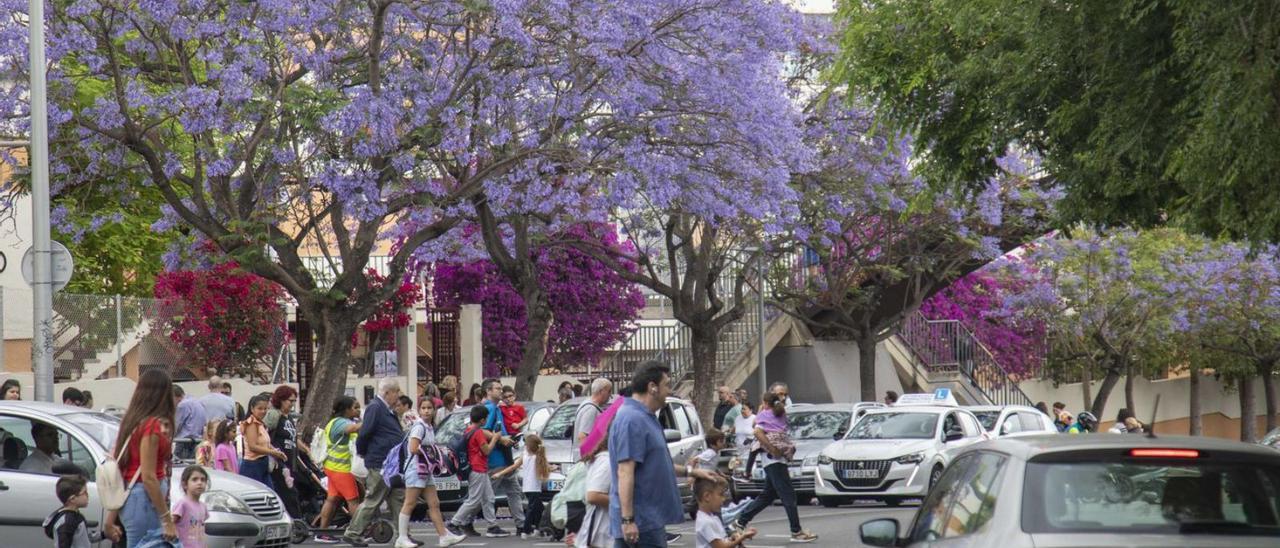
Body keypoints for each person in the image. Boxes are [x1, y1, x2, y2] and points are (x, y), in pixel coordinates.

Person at [609, 361, 719, 548]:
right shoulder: (632, 419)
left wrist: (692, 472)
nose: (669, 391)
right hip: (641, 524)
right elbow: (625, 472)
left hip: (649, 521)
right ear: (652, 387)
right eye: (667, 384)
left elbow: (656, 463)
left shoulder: (645, 416)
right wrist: (628, 520)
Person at [104, 368, 178, 547]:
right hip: (145, 499)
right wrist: (167, 519)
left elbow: (121, 471)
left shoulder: (132, 421)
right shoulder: (151, 426)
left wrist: (109, 520)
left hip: (133, 498)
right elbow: (148, 477)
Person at [729, 393, 816, 543]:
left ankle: (740, 522)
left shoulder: (764, 414)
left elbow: (756, 431)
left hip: (771, 459)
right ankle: (796, 531)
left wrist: (769, 448)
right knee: (788, 495)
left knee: (768, 495)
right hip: (776, 459)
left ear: (765, 402)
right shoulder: (779, 414)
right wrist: (773, 449)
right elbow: (759, 432)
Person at [395, 398, 466, 548]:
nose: (426, 411)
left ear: (434, 410)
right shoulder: (419, 427)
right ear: (419, 410)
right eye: (423, 408)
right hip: (415, 470)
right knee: (410, 503)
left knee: (434, 503)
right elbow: (413, 448)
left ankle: (444, 536)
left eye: (429, 408)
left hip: (426, 470)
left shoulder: (429, 427)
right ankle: (401, 538)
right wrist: (433, 452)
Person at [345, 378, 408, 546]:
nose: (398, 396)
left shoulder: (386, 409)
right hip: (381, 461)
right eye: (397, 392)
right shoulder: (376, 407)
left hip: (391, 462)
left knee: (398, 498)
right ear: (388, 392)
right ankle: (353, 532)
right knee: (374, 498)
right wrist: (364, 453)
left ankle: (403, 535)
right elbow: (364, 433)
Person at [445, 406, 507, 538]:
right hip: (477, 468)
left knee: (488, 498)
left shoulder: (468, 429)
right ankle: (453, 523)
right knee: (473, 500)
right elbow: (487, 451)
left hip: (479, 469)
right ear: (483, 420)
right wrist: (495, 438)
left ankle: (492, 526)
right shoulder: (478, 432)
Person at [478, 378, 524, 534]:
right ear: (488, 391)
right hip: (495, 459)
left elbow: (499, 430)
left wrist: (510, 440)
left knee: (514, 491)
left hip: (506, 457)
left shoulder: (497, 408)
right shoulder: (489, 408)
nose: (501, 391)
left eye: (500, 388)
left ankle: (521, 524)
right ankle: (467, 522)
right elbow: (482, 431)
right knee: (487, 495)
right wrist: (501, 439)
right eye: (497, 388)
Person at [315, 396, 363, 542]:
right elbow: (353, 429)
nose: (358, 410)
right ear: (346, 409)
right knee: (353, 500)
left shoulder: (335, 422)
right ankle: (357, 532)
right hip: (341, 469)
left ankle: (322, 532)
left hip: (333, 468)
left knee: (332, 499)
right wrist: (373, 418)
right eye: (355, 407)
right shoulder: (340, 423)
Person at [265, 386, 301, 519]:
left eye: (293, 401)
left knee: (291, 492)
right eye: (289, 400)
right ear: (280, 400)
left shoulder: (289, 418)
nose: (291, 404)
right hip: (278, 462)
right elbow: (265, 434)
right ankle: (295, 521)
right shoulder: (274, 414)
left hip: (290, 461)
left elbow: (294, 439)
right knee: (288, 493)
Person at [694, 477, 755, 548]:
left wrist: (732, 538)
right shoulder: (706, 521)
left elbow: (722, 541)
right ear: (707, 496)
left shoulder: (712, 518)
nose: (724, 499)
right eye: (721, 494)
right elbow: (721, 546)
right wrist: (743, 537)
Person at [240, 395, 286, 488]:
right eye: (260, 408)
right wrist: (272, 452)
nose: (263, 411)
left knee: (269, 493)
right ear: (252, 409)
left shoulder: (260, 424)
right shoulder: (251, 424)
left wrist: (276, 452)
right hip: (252, 465)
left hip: (263, 463)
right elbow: (253, 446)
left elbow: (266, 443)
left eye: (265, 409)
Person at [573, 438, 613, 548]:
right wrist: (624, 502)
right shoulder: (607, 461)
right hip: (600, 532)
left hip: (596, 531)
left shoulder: (599, 460)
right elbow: (593, 496)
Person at [46, 475, 98, 548]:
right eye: (85, 493)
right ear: (72, 499)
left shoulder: (76, 515)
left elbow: (85, 538)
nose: (88, 495)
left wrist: (105, 534)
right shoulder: (67, 521)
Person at [516, 433, 551, 539]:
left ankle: (537, 529)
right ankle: (525, 530)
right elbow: (544, 467)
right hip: (534, 488)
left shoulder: (526, 455)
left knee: (539, 508)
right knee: (531, 509)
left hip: (527, 487)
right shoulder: (537, 458)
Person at [171, 465, 210, 548]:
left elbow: (201, 528)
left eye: (203, 480)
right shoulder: (183, 504)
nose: (199, 483)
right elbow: (171, 523)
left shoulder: (203, 506)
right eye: (194, 479)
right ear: (185, 484)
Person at [574, 378, 613, 455]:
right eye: (609, 391)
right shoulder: (591, 409)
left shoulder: (586, 404)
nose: (610, 396)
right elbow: (582, 436)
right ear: (602, 391)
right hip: (588, 460)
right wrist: (588, 458)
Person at [174, 385, 207, 460]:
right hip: (197, 440)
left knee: (180, 467)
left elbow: (176, 425)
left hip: (184, 442)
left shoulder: (182, 405)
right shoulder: (197, 402)